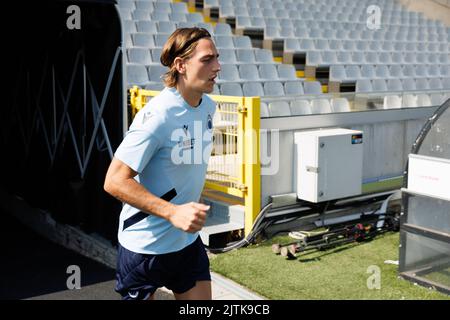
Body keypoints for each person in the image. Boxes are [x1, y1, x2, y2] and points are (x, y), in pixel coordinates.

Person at [104, 27, 221, 300]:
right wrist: (173, 212)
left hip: (187, 243)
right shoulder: (157, 116)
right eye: (207, 60)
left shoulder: (208, 107)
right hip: (144, 247)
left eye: (217, 57)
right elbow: (114, 180)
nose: (217, 66)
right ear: (180, 65)